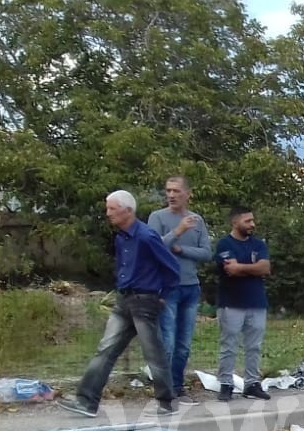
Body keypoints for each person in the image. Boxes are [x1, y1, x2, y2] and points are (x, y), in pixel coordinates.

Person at [60, 190, 179, 417]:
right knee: (105, 349)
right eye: (108, 208)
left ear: (128, 210)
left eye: (112, 209)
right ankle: (86, 402)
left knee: (153, 353)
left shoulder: (146, 236)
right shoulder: (121, 237)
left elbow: (172, 269)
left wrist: (161, 297)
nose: (108, 214)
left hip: (145, 300)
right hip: (124, 299)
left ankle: (166, 402)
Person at [148, 176, 211, 404]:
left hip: (191, 288)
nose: (171, 195)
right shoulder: (157, 217)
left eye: (176, 191)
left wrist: (180, 249)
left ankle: (177, 385)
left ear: (187, 194)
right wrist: (178, 230)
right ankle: (163, 388)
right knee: (168, 342)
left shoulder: (197, 220)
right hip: (167, 288)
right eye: (168, 191)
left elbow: (206, 253)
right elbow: (152, 247)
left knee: (184, 344)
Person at [213, 206, 272, 401]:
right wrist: (251, 268)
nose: (252, 224)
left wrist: (242, 267)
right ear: (235, 222)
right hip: (231, 303)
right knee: (229, 345)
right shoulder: (224, 244)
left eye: (252, 220)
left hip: (256, 302)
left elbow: (265, 267)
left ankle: (252, 383)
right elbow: (231, 270)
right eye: (247, 221)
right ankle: (226, 384)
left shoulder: (258, 244)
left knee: (254, 346)